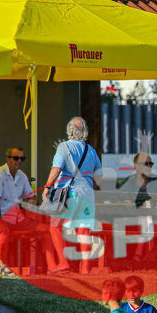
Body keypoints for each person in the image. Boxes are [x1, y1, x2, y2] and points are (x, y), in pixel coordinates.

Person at [43, 117, 102, 274]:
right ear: (85, 132)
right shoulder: (91, 150)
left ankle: (63, 263)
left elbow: (56, 169)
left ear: (69, 130)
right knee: (84, 230)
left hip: (68, 192)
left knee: (55, 227)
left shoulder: (64, 147)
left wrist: (47, 186)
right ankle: (86, 267)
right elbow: (99, 175)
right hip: (87, 195)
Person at [0, 146, 35, 276]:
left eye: (22, 158)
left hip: (16, 218)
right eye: (16, 158)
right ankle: (4, 267)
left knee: (41, 229)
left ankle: (35, 266)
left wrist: (33, 199)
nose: (19, 161)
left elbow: (32, 196)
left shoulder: (22, 176)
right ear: (8, 159)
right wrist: (0, 223)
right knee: (3, 233)